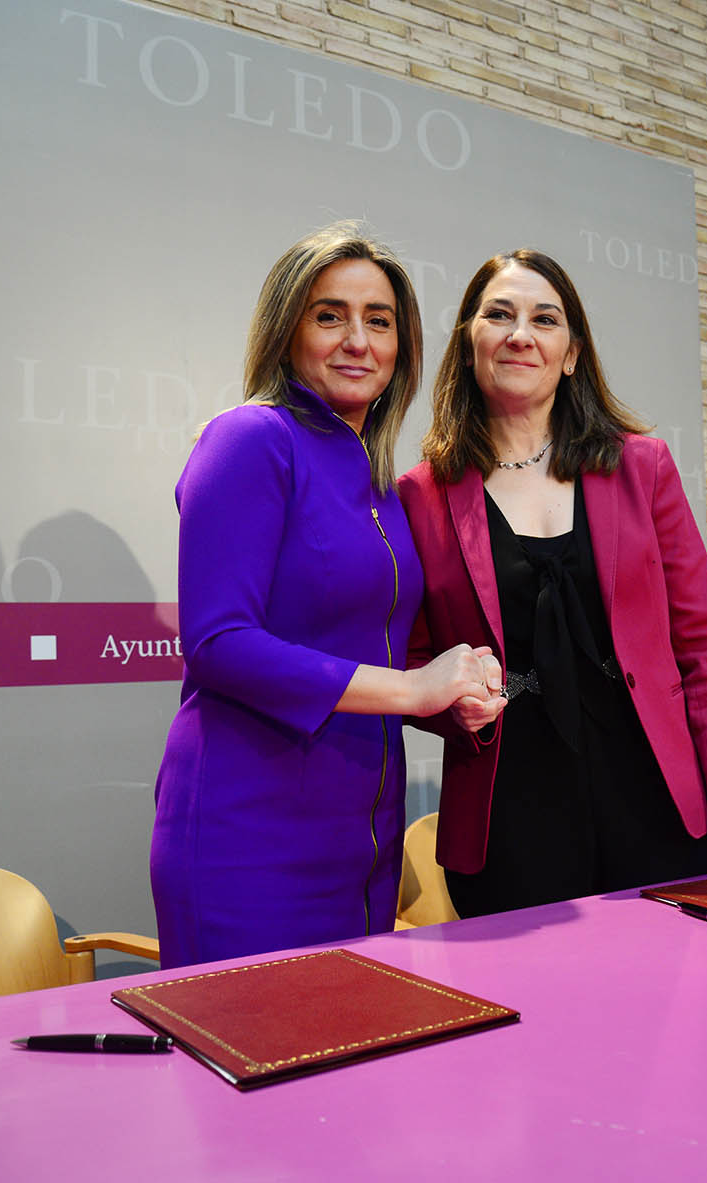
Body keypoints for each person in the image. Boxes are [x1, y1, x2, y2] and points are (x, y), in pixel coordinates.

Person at [397, 248, 707, 919]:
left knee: (681, 1009)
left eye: (544, 319)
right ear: (469, 341)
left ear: (572, 353)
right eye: (498, 314)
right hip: (509, 821)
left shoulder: (642, 466)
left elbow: (704, 648)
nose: (520, 333)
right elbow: (411, 663)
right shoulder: (419, 495)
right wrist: (454, 708)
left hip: (657, 802)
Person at [150, 224, 495, 968]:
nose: (357, 340)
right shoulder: (249, 439)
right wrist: (410, 688)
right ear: (288, 330)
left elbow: (374, 654)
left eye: (379, 320)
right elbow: (218, 644)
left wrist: (451, 694)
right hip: (249, 839)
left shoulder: (380, 483)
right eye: (329, 314)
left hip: (360, 842)